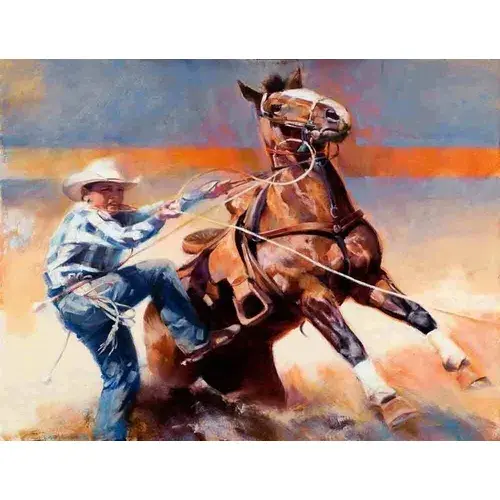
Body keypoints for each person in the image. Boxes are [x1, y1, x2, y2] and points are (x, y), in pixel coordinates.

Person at [44, 157, 239, 440]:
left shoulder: (109, 215)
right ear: (87, 193)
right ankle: (194, 341)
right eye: (106, 189)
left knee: (123, 375)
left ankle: (108, 440)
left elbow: (156, 210)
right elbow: (127, 238)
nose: (114, 195)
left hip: (83, 308)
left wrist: (206, 193)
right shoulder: (85, 216)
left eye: (119, 190)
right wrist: (159, 219)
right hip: (82, 299)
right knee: (159, 269)